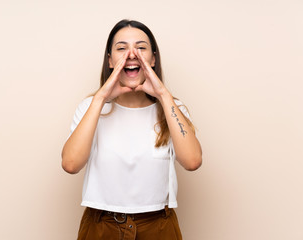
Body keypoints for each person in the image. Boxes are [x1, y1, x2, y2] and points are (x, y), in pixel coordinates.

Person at [61, 19, 202, 240]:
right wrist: (101, 98)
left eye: (141, 47)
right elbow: (70, 164)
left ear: (153, 58)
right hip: (101, 225)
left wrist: (163, 95)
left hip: (158, 226)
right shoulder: (91, 108)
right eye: (121, 48)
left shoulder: (173, 108)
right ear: (110, 60)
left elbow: (193, 161)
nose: (131, 54)